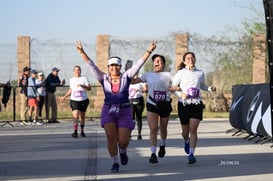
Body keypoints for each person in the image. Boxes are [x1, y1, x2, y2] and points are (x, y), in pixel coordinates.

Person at [75, 40, 156, 173]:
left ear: (120, 67)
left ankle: (123, 151)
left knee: (123, 141)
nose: (114, 68)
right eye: (111, 66)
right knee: (111, 137)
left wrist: (149, 50)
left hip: (124, 110)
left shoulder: (126, 76)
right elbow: (91, 66)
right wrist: (81, 52)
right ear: (108, 67)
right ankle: (115, 162)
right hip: (108, 110)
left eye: (117, 66)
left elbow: (139, 64)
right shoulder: (103, 78)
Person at [172, 52, 216, 164]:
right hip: (184, 104)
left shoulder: (200, 73)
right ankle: (186, 140)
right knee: (185, 132)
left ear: (195, 59)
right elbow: (172, 88)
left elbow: (202, 86)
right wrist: (180, 94)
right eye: (188, 58)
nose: (190, 59)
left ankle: (191, 154)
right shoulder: (180, 73)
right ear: (184, 61)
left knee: (193, 130)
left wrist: (210, 88)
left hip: (197, 104)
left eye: (192, 58)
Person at [135, 54, 173, 164]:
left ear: (163, 64)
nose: (157, 63)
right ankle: (153, 153)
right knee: (153, 129)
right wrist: (130, 75)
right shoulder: (148, 75)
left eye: (159, 61)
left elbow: (178, 83)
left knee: (163, 128)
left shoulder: (168, 75)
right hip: (152, 103)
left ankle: (163, 144)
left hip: (165, 104)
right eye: (155, 61)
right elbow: (134, 81)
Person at [62, 65, 91, 138]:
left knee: (82, 117)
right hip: (74, 100)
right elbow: (71, 89)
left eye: (78, 70)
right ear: (73, 71)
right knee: (75, 116)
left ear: (80, 71)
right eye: (75, 70)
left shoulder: (84, 79)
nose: (77, 71)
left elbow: (89, 88)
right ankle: (75, 132)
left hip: (83, 100)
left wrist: (82, 86)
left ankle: (82, 131)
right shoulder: (72, 79)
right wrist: (65, 96)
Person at [128, 73, 147, 140]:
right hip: (130, 100)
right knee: (131, 118)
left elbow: (145, 90)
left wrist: (139, 90)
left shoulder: (141, 79)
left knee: (139, 117)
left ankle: (139, 134)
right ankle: (129, 134)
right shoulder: (129, 79)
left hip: (139, 100)